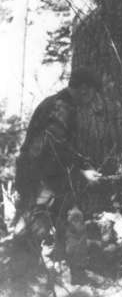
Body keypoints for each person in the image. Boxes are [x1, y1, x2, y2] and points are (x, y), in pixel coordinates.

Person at [14, 67, 104, 285]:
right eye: (93, 93)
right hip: (41, 177)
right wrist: (82, 170)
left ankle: (76, 275)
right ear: (84, 89)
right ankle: (20, 282)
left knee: (72, 220)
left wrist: (81, 163)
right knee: (38, 224)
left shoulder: (58, 103)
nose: (93, 99)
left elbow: (60, 145)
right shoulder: (62, 106)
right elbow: (55, 146)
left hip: (47, 176)